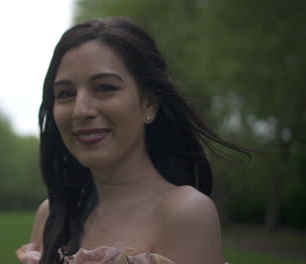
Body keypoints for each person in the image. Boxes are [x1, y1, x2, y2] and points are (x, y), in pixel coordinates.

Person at [17, 17, 248, 264]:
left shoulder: (184, 213)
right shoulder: (51, 215)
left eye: (105, 88)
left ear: (149, 102)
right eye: (65, 94)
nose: (80, 110)